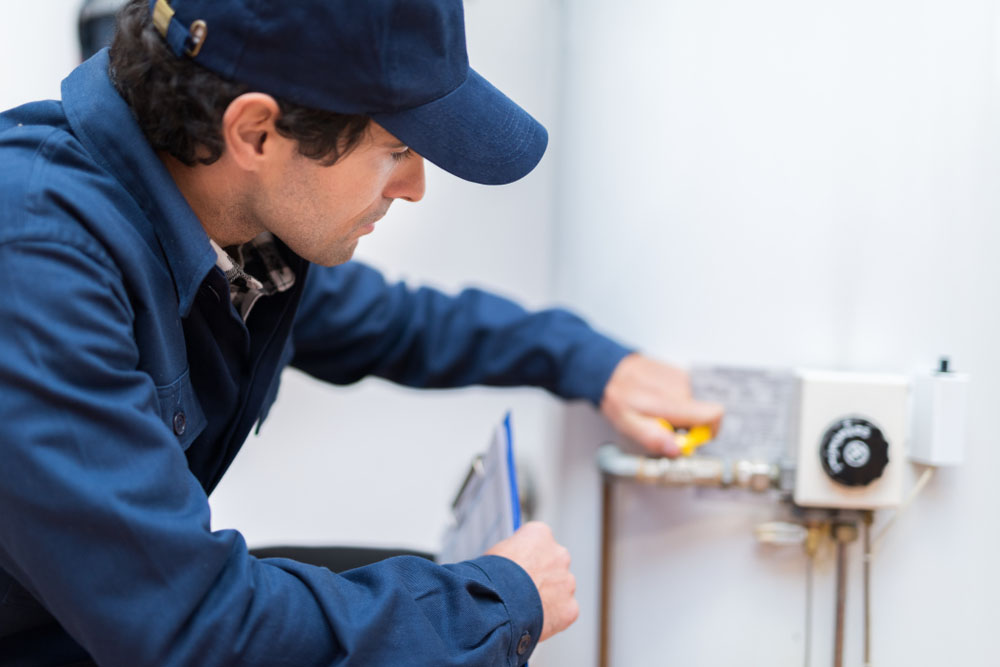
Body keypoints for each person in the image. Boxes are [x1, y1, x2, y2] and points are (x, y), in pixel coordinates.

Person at [0, 0, 723, 665]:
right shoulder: (35, 262)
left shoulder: (222, 220)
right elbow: (193, 626)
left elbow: (389, 321)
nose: (414, 185)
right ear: (254, 131)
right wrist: (497, 600)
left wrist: (595, 363)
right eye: (396, 147)